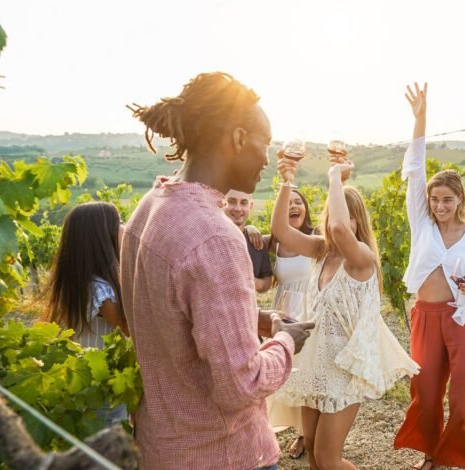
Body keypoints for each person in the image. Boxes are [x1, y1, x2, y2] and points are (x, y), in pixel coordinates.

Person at [122, 72, 315, 470]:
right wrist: (286, 341)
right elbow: (241, 386)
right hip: (223, 453)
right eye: (265, 144)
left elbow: (171, 314)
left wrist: (254, 319)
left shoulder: (150, 207)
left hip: (162, 447)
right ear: (239, 138)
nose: (267, 158)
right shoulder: (216, 237)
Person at [270, 152, 420, 470]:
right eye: (337, 215)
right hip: (315, 362)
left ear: (358, 222)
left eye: (350, 217)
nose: (341, 223)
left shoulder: (361, 258)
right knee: (312, 452)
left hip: (344, 369)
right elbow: (281, 231)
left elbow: (339, 229)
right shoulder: (320, 250)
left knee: (328, 458)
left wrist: (335, 175)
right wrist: (286, 182)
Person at [393, 83, 465, 470]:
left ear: (460, 200)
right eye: (435, 200)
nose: (439, 206)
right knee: (427, 394)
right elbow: (416, 170)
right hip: (425, 317)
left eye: (447, 200)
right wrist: (420, 118)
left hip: (463, 318)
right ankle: (433, 455)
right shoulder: (422, 224)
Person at [245, 188, 316, 459]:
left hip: (311, 309)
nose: (294, 207)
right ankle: (298, 429)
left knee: (308, 371)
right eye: (288, 204)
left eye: (299, 202)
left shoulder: (316, 237)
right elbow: (245, 241)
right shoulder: (273, 243)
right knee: (289, 372)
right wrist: (250, 226)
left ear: (306, 208)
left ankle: (305, 435)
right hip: (285, 309)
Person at [44, 201, 129, 425]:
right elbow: (131, 329)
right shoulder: (100, 290)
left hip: (86, 387)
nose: (125, 226)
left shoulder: (82, 283)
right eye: (119, 222)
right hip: (101, 390)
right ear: (102, 236)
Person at [223, 189, 273, 293]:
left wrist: (253, 282)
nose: (238, 208)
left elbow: (267, 279)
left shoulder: (257, 242)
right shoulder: (210, 241)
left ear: (250, 206)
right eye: (231, 201)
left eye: (244, 203)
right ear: (222, 203)